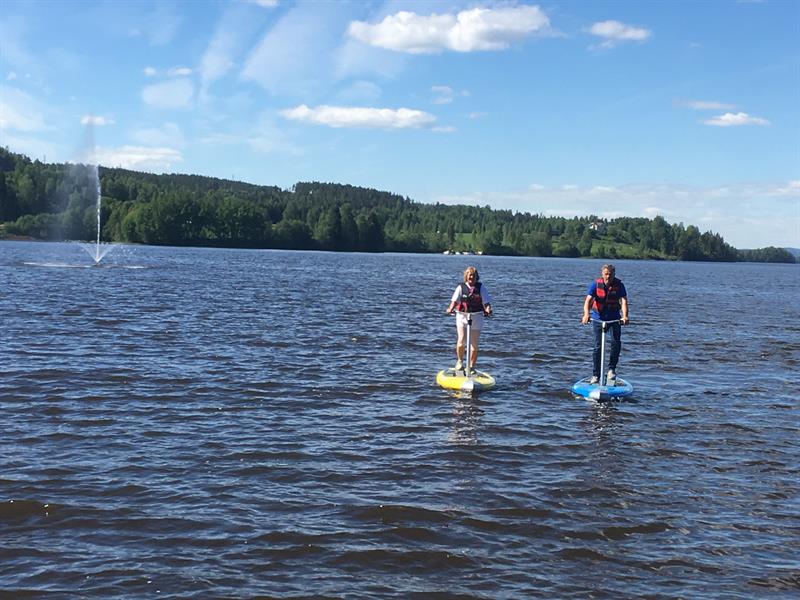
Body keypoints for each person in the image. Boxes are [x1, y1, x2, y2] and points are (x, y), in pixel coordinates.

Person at [581, 264, 629, 384]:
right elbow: (588, 301)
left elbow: (623, 301)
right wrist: (586, 314)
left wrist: (625, 316)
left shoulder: (619, 286)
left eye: (610, 274)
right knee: (598, 347)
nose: (608, 276)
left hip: (614, 319)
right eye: (606, 274)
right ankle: (596, 375)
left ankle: (611, 370)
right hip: (598, 319)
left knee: (615, 342)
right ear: (602, 274)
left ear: (614, 274)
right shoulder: (595, 285)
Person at [446, 266, 493, 373]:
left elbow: (486, 303)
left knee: (474, 344)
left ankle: (471, 367)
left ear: (477, 277)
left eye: (474, 276)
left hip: (477, 316)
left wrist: (488, 310)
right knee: (461, 340)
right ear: (466, 276)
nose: (471, 277)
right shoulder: (460, 287)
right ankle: (459, 361)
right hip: (462, 316)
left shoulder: (481, 288)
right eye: (470, 275)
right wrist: (450, 309)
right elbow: (454, 301)